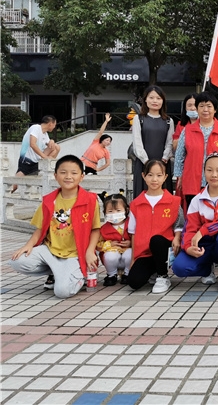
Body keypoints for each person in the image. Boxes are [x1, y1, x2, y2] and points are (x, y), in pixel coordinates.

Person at [10, 155, 100, 299]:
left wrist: (90, 251)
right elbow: (40, 229)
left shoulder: (90, 200)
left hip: (76, 254)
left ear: (82, 177)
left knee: (62, 292)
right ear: (56, 176)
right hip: (50, 251)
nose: (68, 176)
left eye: (74, 173)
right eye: (63, 172)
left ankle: (79, 276)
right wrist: (28, 245)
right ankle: (55, 271)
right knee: (17, 261)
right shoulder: (48, 200)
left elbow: (95, 229)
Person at [173, 153, 218, 293]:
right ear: (204, 172)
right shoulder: (197, 199)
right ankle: (206, 269)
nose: (214, 175)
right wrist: (188, 247)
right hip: (205, 245)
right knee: (179, 267)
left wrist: (203, 230)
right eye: (209, 170)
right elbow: (189, 229)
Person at [128, 160, 184, 294]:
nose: (154, 179)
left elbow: (179, 225)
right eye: (150, 175)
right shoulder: (136, 204)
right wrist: (133, 259)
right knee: (134, 282)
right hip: (145, 253)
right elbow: (133, 232)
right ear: (143, 176)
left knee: (156, 240)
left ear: (165, 177)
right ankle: (154, 270)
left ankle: (162, 276)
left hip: (165, 248)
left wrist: (177, 238)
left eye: (159, 175)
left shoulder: (174, 201)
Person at [173, 91, 218, 208]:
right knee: (193, 213)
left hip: (217, 181)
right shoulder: (187, 131)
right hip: (192, 180)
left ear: (215, 109)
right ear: (197, 109)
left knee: (216, 212)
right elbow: (179, 155)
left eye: (209, 106)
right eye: (201, 106)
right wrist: (179, 176)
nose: (205, 109)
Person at [131, 86, 174, 198]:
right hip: (143, 163)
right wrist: (146, 161)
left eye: (158, 98)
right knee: (142, 195)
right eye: (151, 98)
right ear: (145, 99)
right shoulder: (139, 119)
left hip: (163, 163)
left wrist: (165, 157)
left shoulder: (168, 121)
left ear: (163, 101)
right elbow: (137, 143)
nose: (155, 101)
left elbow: (170, 142)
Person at [13, 115, 60, 192]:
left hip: (37, 160)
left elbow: (51, 146)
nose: (54, 127)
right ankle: (9, 191)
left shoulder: (45, 134)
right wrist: (44, 156)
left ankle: (46, 164)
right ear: (50, 124)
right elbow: (32, 144)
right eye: (54, 125)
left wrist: (51, 141)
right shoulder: (36, 128)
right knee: (16, 183)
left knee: (56, 147)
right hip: (27, 159)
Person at [97, 193, 131, 286]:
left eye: (118, 210)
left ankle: (127, 274)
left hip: (128, 255)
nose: (114, 214)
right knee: (110, 256)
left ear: (126, 210)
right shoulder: (103, 229)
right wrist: (109, 245)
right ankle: (111, 275)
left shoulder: (131, 224)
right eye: (110, 211)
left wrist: (131, 243)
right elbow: (98, 244)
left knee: (130, 254)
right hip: (112, 256)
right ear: (104, 212)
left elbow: (139, 239)